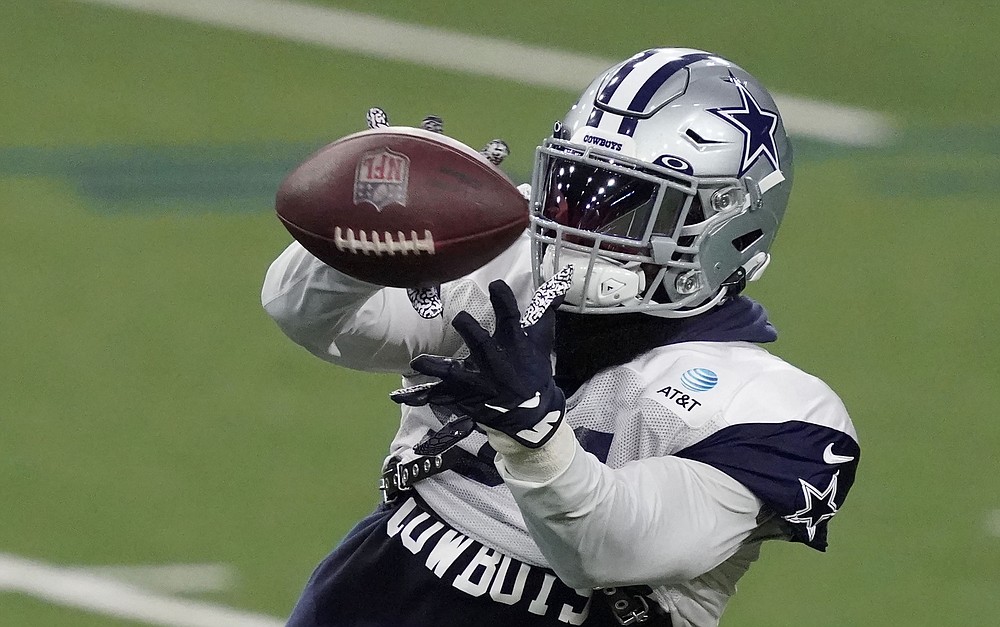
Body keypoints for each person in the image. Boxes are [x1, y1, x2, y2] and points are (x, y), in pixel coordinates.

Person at [262, 47, 860, 627]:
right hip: (374, 589)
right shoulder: (503, 255)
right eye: (573, 188)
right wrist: (369, 233)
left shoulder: (774, 411)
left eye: (628, 210)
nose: (579, 227)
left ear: (731, 225)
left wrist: (534, 438)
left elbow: (601, 548)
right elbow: (313, 317)